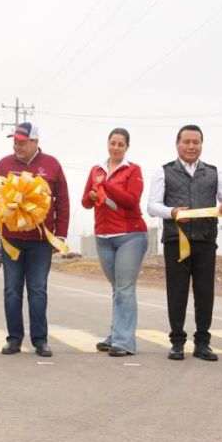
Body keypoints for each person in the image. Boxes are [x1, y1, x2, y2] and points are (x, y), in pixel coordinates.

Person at [146, 125, 222, 361]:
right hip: (177, 240)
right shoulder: (164, 171)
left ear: (201, 145)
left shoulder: (213, 172)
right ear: (177, 144)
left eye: (196, 142)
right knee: (177, 293)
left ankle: (203, 342)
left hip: (206, 240)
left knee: (205, 293)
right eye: (186, 141)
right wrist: (173, 211)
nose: (191, 146)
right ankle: (177, 342)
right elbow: (152, 206)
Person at [0, 122, 70, 358]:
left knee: (38, 290)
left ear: (35, 142)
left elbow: (62, 202)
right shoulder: (4, 164)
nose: (17, 146)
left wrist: (60, 234)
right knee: (12, 290)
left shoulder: (52, 165)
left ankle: (40, 340)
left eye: (22, 142)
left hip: (41, 240)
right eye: (14, 141)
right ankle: (14, 339)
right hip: (11, 239)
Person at [82, 128, 147, 358]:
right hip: (104, 236)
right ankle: (115, 334)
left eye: (121, 144)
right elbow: (85, 202)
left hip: (131, 235)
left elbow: (131, 200)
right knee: (116, 289)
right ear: (107, 144)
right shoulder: (96, 169)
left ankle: (124, 341)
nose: (116, 148)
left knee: (124, 288)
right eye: (113, 143)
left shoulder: (133, 170)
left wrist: (106, 185)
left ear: (127, 147)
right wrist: (92, 194)